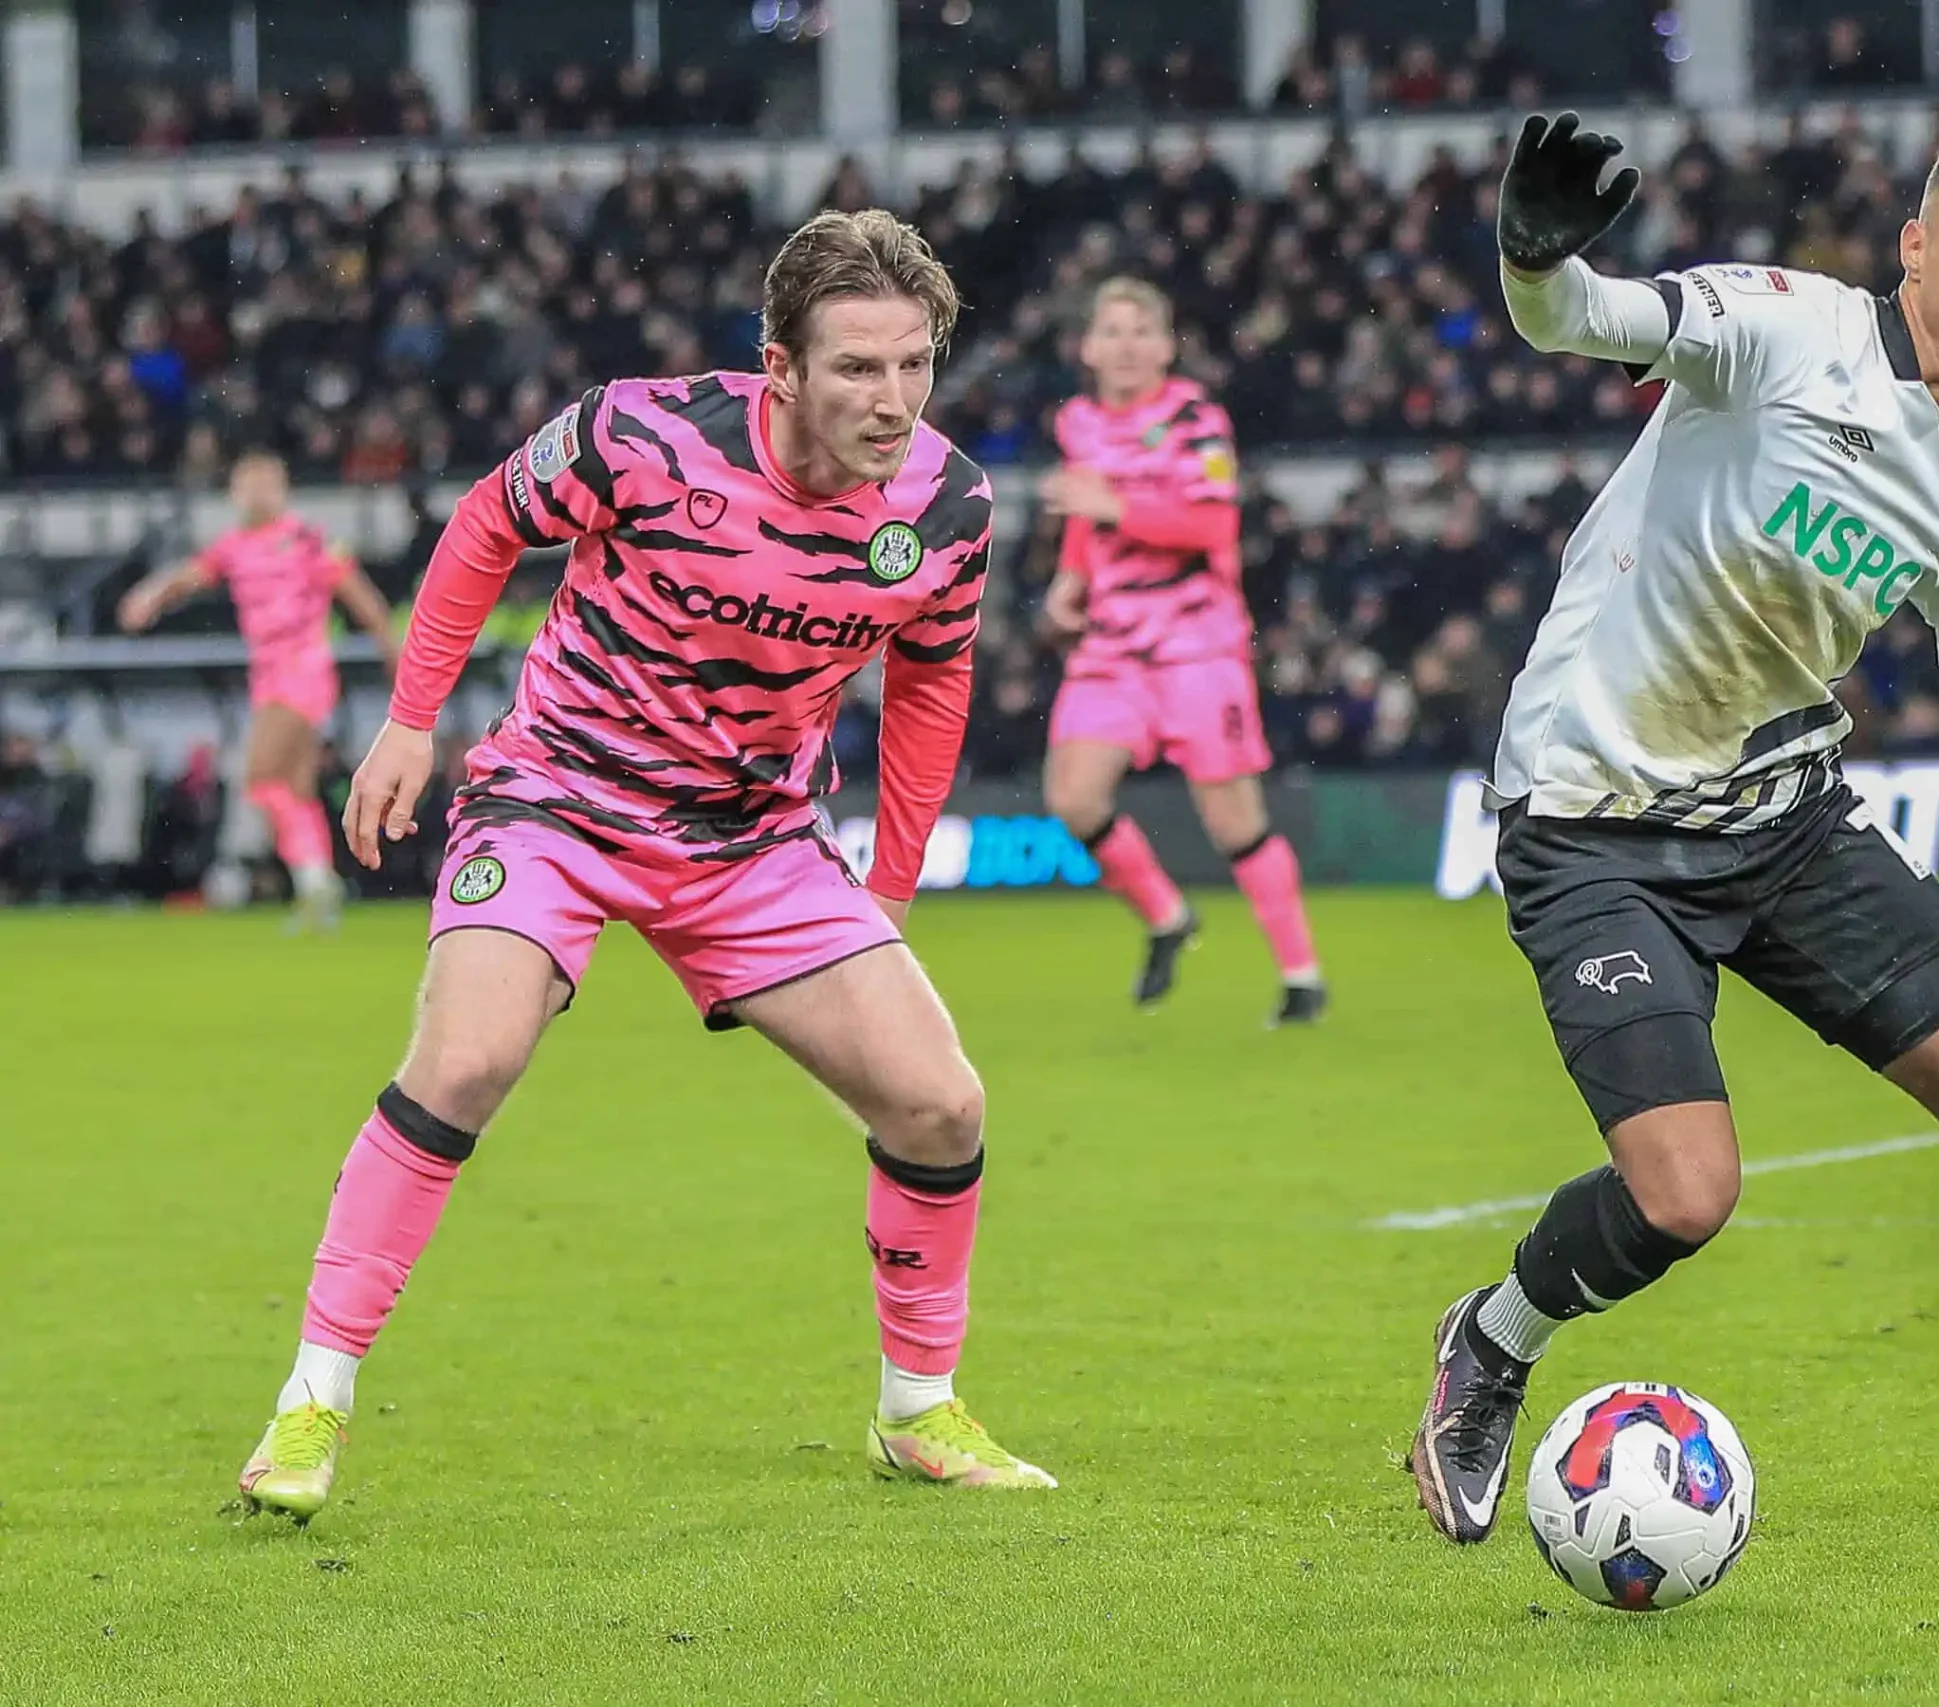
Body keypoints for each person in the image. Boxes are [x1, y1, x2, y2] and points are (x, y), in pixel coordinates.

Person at [1408, 116, 1939, 1543]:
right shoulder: (1782, 327)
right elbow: (1583, 317)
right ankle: (1493, 1339)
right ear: (1917, 250)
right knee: (1684, 1196)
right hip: (1594, 822)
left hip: (1784, 816)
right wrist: (1530, 258)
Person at [235, 210, 1054, 1524]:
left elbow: (931, 680)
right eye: (857, 367)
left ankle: (917, 1410)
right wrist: (409, 718)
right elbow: (486, 523)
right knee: (466, 1060)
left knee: (940, 1105)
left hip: (752, 841)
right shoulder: (641, 430)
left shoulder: (947, 505)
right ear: (780, 366)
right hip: (558, 798)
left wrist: (890, 890)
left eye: (914, 365)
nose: (893, 399)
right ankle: (311, 1398)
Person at [1037, 277, 1325, 1025]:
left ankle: (1301, 977)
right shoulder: (1077, 422)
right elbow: (1084, 520)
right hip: (1112, 643)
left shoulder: (1196, 420)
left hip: (1198, 643)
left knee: (1232, 820)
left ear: (1167, 347)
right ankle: (1168, 916)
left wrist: (1115, 506)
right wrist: (1070, 581)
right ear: (1088, 347)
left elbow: (1212, 527)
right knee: (1073, 796)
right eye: (1112, 330)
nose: (1127, 346)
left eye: (1142, 331)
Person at [119, 450, 398, 928]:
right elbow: (189, 578)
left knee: (260, 779)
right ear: (233, 493)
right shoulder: (234, 547)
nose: (258, 494)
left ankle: (315, 880)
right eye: (249, 485)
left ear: (284, 490)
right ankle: (318, 889)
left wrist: (394, 653)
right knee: (294, 788)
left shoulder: (308, 539)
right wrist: (151, 595)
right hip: (268, 678)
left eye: (267, 484)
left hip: (302, 672)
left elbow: (359, 596)